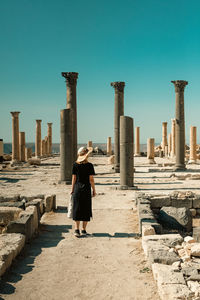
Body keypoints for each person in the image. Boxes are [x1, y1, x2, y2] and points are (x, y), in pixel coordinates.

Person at [71, 147, 96, 237]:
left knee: (77, 208)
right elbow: (91, 179)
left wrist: (72, 189)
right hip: (86, 189)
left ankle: (76, 230)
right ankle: (84, 230)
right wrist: (94, 190)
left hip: (77, 188)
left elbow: (74, 178)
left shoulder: (75, 165)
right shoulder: (90, 165)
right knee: (86, 209)